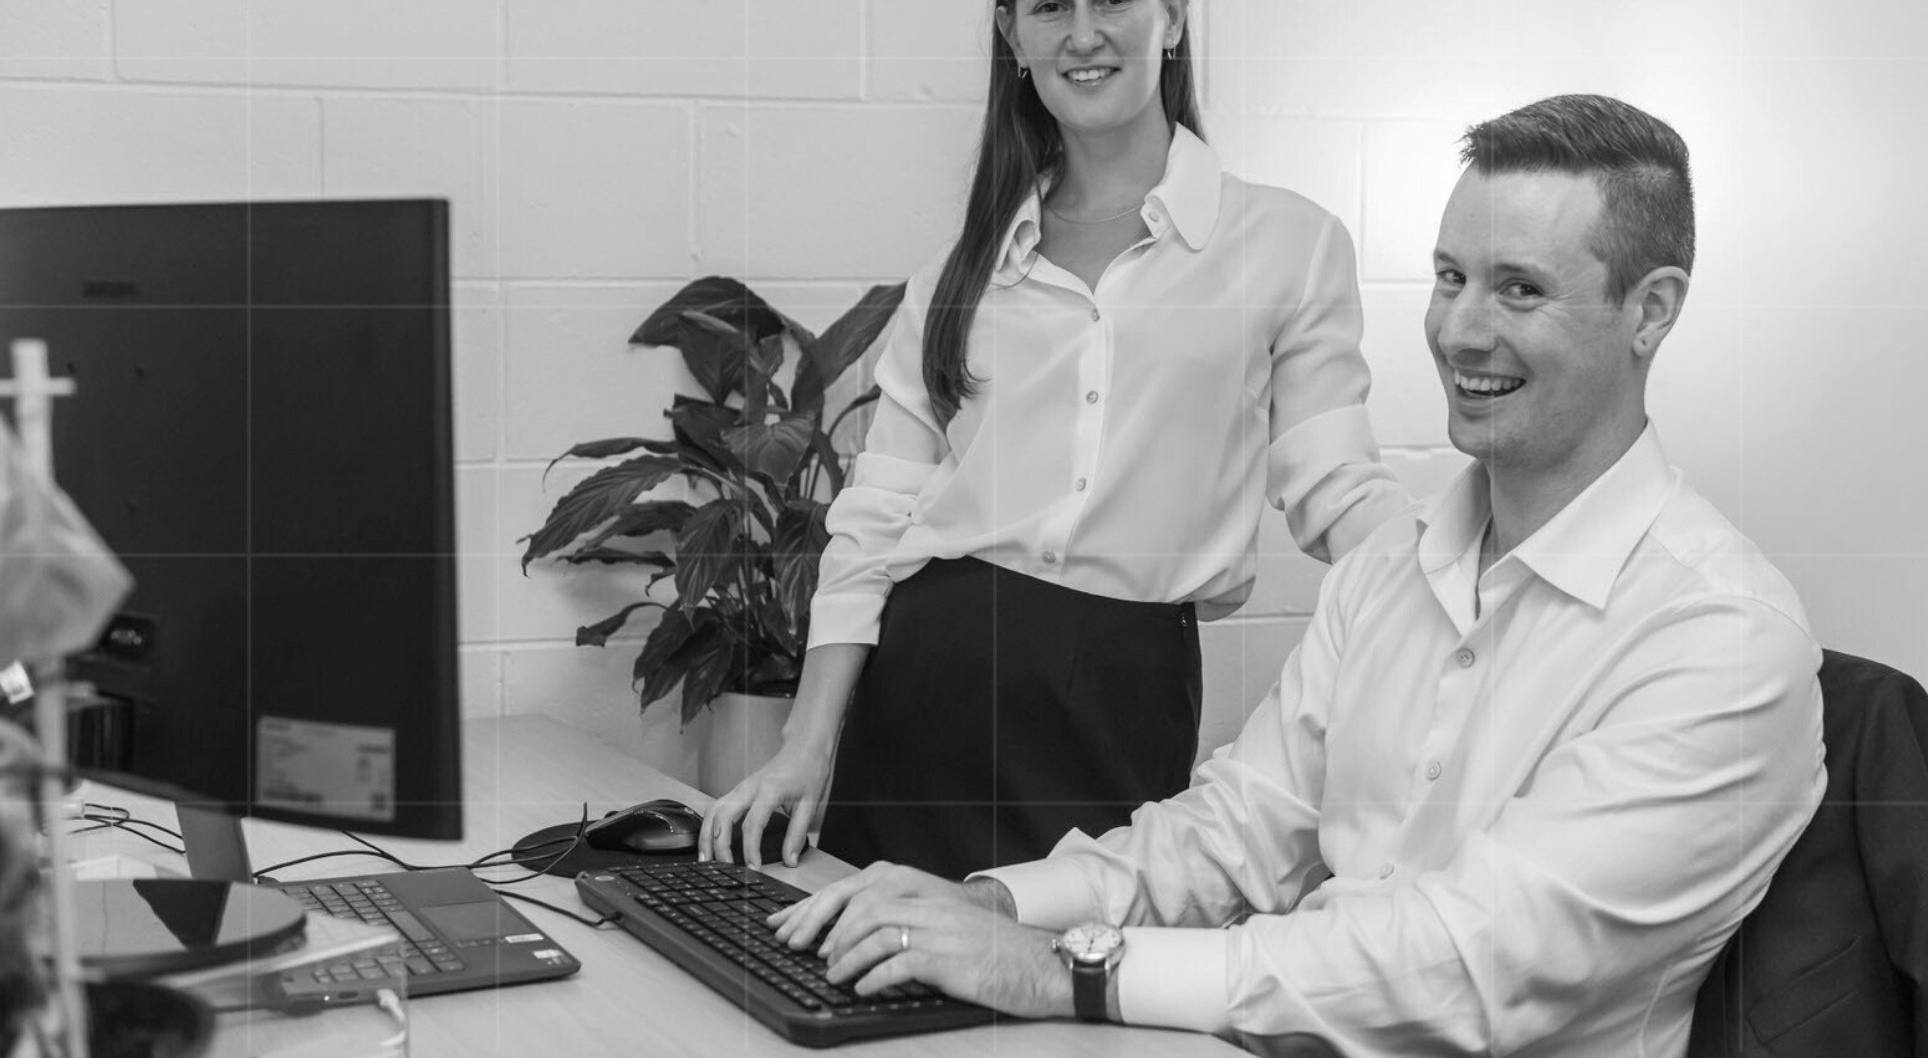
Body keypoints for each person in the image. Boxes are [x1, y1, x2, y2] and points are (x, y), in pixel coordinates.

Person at [765, 94, 1829, 1058]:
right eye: (1451, 277)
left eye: (1520, 290)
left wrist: (1062, 971)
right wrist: (993, 905)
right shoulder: (1392, 576)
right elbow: (1226, 838)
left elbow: (1473, 962)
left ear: (1651, 310)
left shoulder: (1720, 638)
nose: (1460, 330)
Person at [699, 0, 1408, 878]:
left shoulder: (1287, 246)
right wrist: (805, 743)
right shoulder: (962, 269)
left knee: (1068, 992)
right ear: (1013, 38)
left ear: (1173, 12)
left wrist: (1465, 586)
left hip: (1121, 692)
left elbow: (1337, 487)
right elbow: (875, 519)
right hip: (926, 678)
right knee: (859, 985)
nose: (1084, 32)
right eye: (1049, 5)